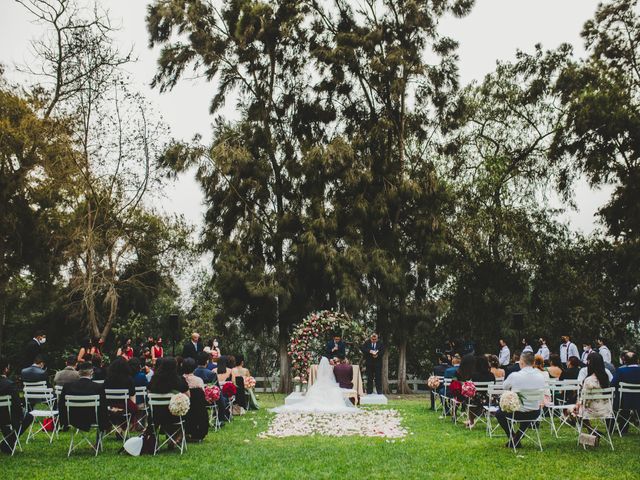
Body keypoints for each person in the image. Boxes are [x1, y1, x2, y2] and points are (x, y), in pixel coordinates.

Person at [495, 352, 547, 448]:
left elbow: (504, 387)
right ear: (533, 362)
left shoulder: (515, 375)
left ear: (522, 362)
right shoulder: (541, 376)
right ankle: (517, 438)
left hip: (517, 413)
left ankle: (513, 436)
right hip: (535, 412)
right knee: (528, 411)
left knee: (499, 413)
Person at [272, 357, 358, 413]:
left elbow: (319, 378)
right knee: (334, 391)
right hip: (329, 384)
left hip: (320, 384)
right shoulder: (331, 369)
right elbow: (334, 377)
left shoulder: (319, 370)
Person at [59, 362, 107, 431]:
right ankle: (98, 440)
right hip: (92, 418)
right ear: (91, 372)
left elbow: (61, 405)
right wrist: (104, 424)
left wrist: (64, 421)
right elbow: (103, 406)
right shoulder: (98, 387)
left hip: (72, 418)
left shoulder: (67, 386)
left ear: (79, 372)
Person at [573, 352, 613, 434]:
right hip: (607, 410)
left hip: (591, 411)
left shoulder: (589, 380)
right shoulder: (606, 377)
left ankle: (591, 431)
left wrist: (577, 405)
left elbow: (584, 399)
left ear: (589, 363)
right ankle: (593, 432)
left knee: (574, 411)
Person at [0, 357, 33, 454]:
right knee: (28, 417)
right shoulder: (9, 384)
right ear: (6, 369)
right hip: (7, 417)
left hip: (4, 416)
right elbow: (17, 404)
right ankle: (8, 442)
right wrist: (20, 415)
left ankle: (7, 442)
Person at [611, 351, 640, 434]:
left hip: (623, 402)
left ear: (625, 361)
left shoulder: (621, 371)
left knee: (617, 400)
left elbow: (612, 384)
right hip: (638, 401)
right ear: (637, 360)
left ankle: (618, 428)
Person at [466, 355, 496, 427]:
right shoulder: (491, 375)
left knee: (469, 399)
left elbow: (470, 387)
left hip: (475, 399)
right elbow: (494, 385)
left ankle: (471, 421)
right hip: (489, 399)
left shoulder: (473, 375)